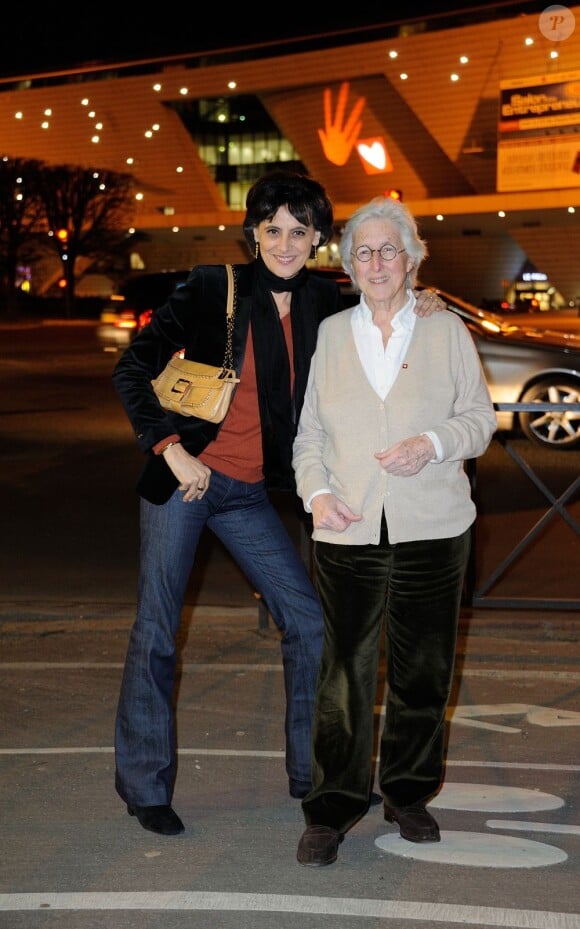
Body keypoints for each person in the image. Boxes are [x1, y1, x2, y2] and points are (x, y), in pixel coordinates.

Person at [111, 171, 445, 837]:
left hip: (249, 494)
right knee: (157, 628)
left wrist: (421, 299)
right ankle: (145, 785)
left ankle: (311, 772)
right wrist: (170, 448)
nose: (285, 243)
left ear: (319, 238)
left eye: (299, 231)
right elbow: (132, 365)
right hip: (186, 479)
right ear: (254, 233)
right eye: (273, 230)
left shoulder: (324, 298)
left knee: (309, 622)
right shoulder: (212, 286)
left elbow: (384, 307)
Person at [292, 195, 497, 867]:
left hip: (434, 528)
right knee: (343, 675)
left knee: (423, 671)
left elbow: (480, 419)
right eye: (363, 251)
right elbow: (310, 437)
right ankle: (333, 805)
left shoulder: (445, 330)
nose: (376, 262)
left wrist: (434, 443)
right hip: (347, 529)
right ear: (349, 263)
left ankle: (407, 793)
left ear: (411, 258)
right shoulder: (332, 333)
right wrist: (317, 494)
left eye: (388, 249)